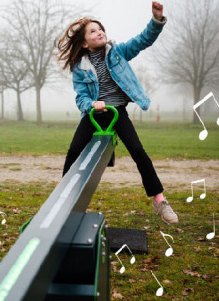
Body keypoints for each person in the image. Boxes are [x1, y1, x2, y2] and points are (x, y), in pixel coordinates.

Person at [55, 1, 178, 224]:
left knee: (138, 152)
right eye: (93, 31)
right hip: (93, 115)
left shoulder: (118, 52)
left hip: (116, 112)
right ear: (83, 43)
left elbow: (143, 40)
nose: (99, 32)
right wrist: (92, 104)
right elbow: (81, 97)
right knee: (74, 151)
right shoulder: (79, 67)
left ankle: (160, 200)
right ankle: (63, 199)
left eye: (100, 28)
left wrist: (157, 20)